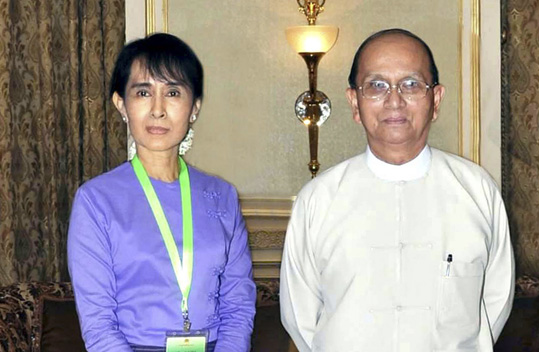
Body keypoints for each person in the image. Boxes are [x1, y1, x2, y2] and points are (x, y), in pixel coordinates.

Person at [280, 28, 514, 352]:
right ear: (354, 102)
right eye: (376, 86)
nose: (394, 100)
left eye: (411, 84)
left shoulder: (477, 192)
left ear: (436, 100)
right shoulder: (319, 200)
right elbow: (301, 317)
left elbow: (495, 303)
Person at [68, 33, 256, 352]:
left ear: (194, 107)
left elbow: (238, 306)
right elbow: (98, 324)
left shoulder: (222, 196)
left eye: (172, 92)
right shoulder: (95, 201)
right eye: (143, 92)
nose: (158, 109)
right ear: (121, 105)